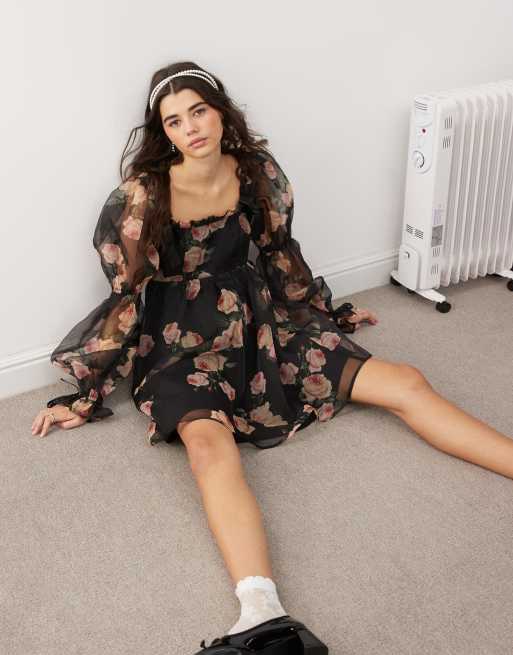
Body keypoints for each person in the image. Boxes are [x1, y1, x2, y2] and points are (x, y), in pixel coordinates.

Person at [31, 62, 513, 653]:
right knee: (208, 446)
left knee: (406, 381)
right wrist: (87, 391)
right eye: (174, 121)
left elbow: (280, 252)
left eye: (198, 111)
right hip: (181, 341)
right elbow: (128, 295)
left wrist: (328, 313)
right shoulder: (142, 196)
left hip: (261, 321)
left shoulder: (256, 171)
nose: (191, 128)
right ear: (163, 132)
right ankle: (261, 611)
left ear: (220, 111)